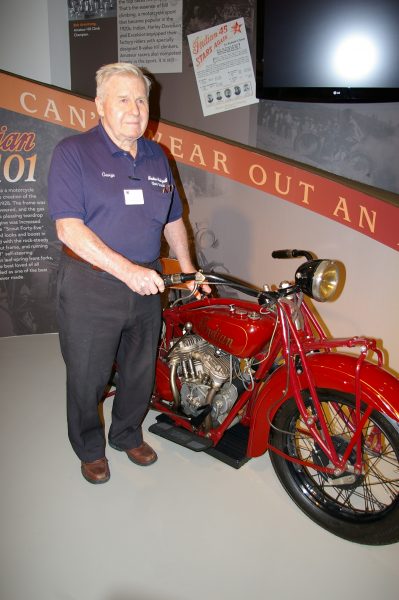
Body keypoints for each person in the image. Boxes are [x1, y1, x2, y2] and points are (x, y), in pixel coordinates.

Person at [48, 62, 209, 484]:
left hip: (147, 281)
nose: (135, 109)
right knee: (88, 376)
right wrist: (126, 271)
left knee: (139, 370)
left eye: (141, 99)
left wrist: (189, 268)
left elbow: (173, 219)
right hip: (91, 284)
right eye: (123, 99)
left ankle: (126, 433)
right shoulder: (73, 152)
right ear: (100, 105)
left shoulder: (158, 155)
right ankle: (88, 447)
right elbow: (68, 227)